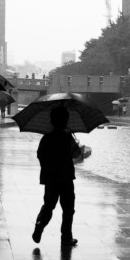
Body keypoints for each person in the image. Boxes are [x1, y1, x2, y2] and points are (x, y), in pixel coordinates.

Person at [31, 104, 87, 248]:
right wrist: (76, 144)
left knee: (49, 205)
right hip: (66, 178)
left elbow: (39, 154)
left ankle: (40, 224)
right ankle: (66, 237)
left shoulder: (47, 138)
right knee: (68, 209)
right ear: (66, 121)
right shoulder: (67, 137)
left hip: (50, 178)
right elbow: (77, 155)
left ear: (51, 121)